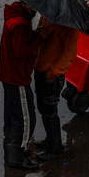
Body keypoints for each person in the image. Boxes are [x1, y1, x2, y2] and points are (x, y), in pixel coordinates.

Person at [0, 1, 45, 170]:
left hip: (8, 74)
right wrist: (38, 37)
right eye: (34, 7)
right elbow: (21, 52)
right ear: (25, 4)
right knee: (26, 119)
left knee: (11, 116)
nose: (36, 11)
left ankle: (10, 152)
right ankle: (17, 157)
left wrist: (31, 34)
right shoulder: (20, 24)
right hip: (17, 77)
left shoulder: (14, 16)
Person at [33, 16, 79, 161]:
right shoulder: (46, 16)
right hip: (40, 68)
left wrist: (53, 73)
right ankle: (50, 140)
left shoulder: (70, 25)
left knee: (50, 112)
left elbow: (69, 54)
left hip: (52, 76)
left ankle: (56, 149)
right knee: (42, 108)